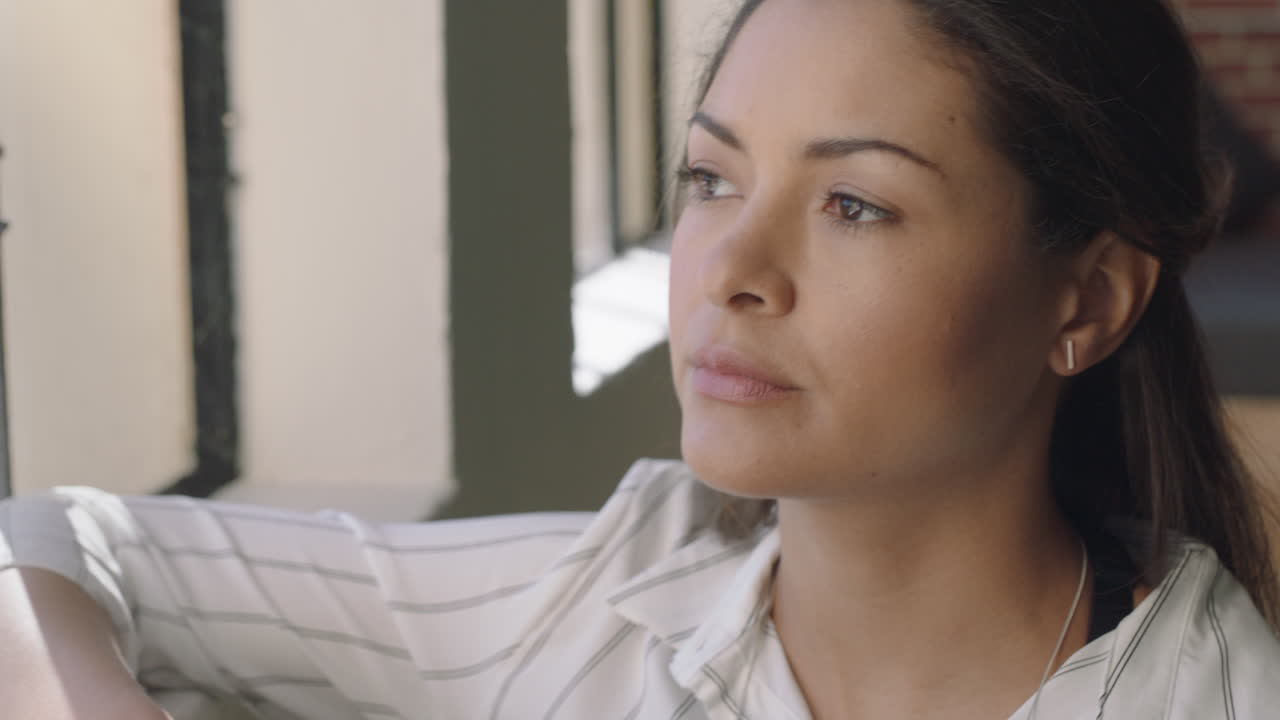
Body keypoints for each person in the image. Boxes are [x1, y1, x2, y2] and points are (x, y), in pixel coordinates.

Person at [3, 0, 1279, 717]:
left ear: (1084, 299)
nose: (729, 271)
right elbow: (44, 541)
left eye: (854, 204)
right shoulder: (598, 603)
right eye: (711, 177)